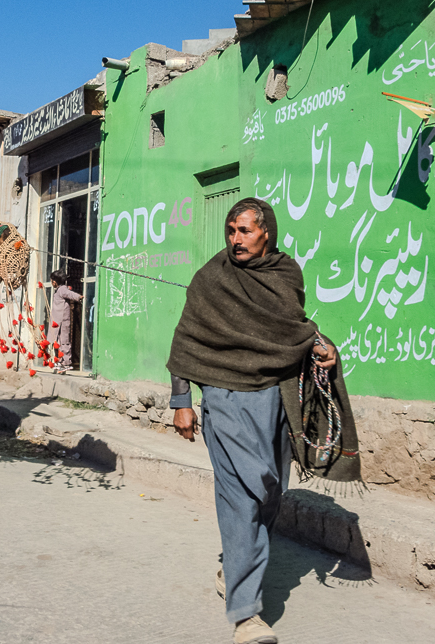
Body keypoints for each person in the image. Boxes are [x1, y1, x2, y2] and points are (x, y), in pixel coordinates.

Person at [167, 198, 360, 644]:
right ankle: (246, 615)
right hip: (225, 399)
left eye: (245, 231)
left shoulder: (286, 275)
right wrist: (182, 400)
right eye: (231, 230)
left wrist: (324, 349)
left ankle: (233, 569)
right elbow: (186, 339)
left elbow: (293, 332)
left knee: (271, 492)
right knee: (243, 498)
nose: (236, 239)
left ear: (266, 232)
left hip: (278, 403)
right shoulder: (210, 279)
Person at [49, 270, 81, 373]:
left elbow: (70, 294)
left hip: (63, 320)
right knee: (57, 342)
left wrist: (78, 297)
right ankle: (60, 361)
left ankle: (66, 363)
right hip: (57, 320)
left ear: (54, 282)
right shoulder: (58, 290)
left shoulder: (62, 289)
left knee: (64, 341)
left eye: (51, 280)